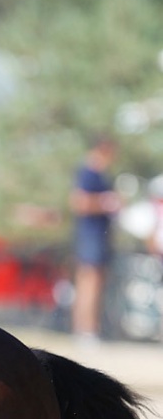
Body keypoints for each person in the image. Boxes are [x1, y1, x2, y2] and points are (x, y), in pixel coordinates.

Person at [69, 135, 121, 343]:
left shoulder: (100, 174)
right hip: (90, 236)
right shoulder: (88, 173)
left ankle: (88, 328)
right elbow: (79, 202)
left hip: (98, 235)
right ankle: (85, 330)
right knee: (89, 282)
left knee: (94, 282)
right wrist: (106, 203)